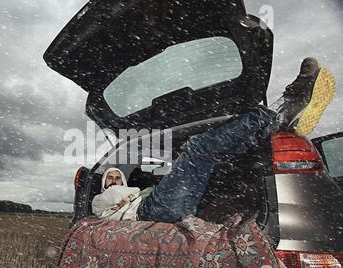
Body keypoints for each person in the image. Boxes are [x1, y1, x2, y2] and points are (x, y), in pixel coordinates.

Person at [91, 57, 336, 223]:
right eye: (110, 178)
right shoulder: (100, 201)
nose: (113, 181)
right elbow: (114, 202)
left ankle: (276, 122)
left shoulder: (131, 194)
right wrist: (138, 191)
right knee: (198, 146)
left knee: (224, 156)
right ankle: (279, 114)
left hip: (165, 205)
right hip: (153, 210)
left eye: (115, 177)